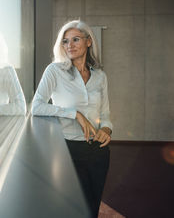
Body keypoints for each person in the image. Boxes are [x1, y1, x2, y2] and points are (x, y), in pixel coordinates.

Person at [32, 20, 113, 217]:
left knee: (91, 209)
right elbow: (36, 107)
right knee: (65, 209)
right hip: (65, 150)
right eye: (65, 41)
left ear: (88, 42)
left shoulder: (100, 76)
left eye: (76, 39)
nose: (70, 45)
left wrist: (106, 130)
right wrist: (75, 114)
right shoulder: (55, 71)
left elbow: (105, 116)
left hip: (97, 152)